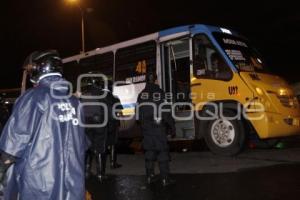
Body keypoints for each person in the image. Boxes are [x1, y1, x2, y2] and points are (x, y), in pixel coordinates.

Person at [0, 50, 88, 200]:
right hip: (73, 184)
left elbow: (14, 142)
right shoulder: (75, 102)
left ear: (38, 69)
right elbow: (82, 143)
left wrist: (2, 169)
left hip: (39, 185)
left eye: (30, 70)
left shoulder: (32, 98)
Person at [136, 71, 176, 187]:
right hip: (159, 128)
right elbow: (167, 113)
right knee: (162, 152)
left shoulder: (141, 95)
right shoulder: (160, 93)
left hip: (147, 129)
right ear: (156, 80)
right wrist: (172, 127)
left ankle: (149, 177)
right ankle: (165, 179)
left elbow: (137, 115)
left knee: (149, 152)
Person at [81, 75, 112, 182]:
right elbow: (108, 109)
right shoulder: (102, 93)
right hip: (99, 124)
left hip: (86, 124)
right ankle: (100, 174)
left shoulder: (84, 93)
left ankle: (86, 172)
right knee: (100, 148)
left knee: (87, 147)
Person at [105, 80, 123, 169]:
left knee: (103, 143)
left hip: (102, 123)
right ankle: (112, 163)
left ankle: (101, 165)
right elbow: (120, 111)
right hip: (113, 123)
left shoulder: (100, 97)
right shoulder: (115, 98)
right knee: (113, 144)